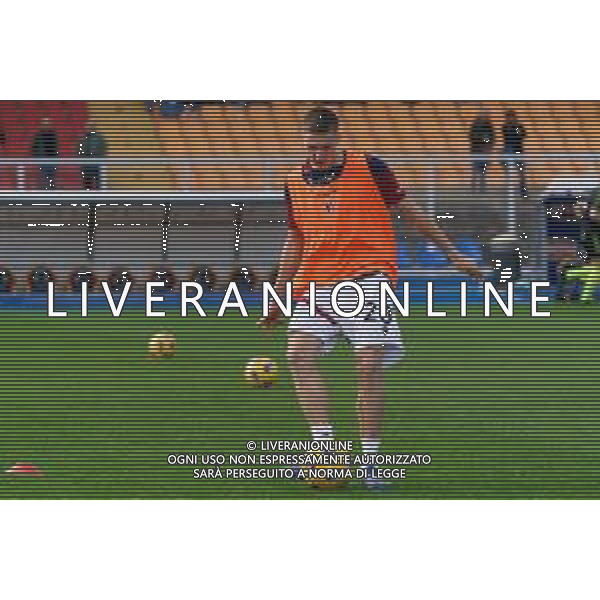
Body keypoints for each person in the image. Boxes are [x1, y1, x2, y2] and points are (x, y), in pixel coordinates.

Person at [258, 107, 482, 491]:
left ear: (338, 138)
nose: (316, 154)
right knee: (297, 356)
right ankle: (324, 452)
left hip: (366, 282)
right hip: (315, 285)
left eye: (324, 147)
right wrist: (278, 294)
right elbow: (296, 237)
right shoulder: (293, 179)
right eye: (310, 147)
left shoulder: (371, 167)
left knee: (367, 368)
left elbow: (412, 214)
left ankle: (371, 463)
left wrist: (452, 253)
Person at [502, 109, 527, 197]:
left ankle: (522, 191)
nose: (509, 119)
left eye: (511, 117)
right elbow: (506, 139)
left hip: (518, 150)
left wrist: (516, 127)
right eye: (508, 117)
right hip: (509, 150)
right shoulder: (505, 127)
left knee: (521, 172)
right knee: (509, 172)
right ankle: (510, 191)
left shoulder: (518, 126)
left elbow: (523, 135)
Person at [470, 108, 495, 193]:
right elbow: (472, 136)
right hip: (476, 150)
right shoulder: (476, 125)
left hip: (484, 150)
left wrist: (489, 145)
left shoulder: (488, 126)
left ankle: (481, 188)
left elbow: (491, 138)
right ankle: (474, 188)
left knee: (482, 170)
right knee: (475, 170)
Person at [31, 117, 58, 190]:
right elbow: (34, 147)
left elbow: (55, 147)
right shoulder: (38, 135)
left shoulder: (53, 134)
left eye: (47, 124)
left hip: (52, 158)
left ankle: (51, 188)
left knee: (51, 174)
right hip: (42, 158)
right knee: (44, 175)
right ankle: (45, 189)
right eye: (44, 124)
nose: (46, 125)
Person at [79, 121, 107, 190]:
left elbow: (103, 149)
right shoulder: (84, 139)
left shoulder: (98, 138)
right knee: (87, 182)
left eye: (89, 126)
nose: (86, 128)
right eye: (87, 126)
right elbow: (80, 149)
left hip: (95, 163)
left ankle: (97, 197)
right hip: (86, 164)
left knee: (97, 182)